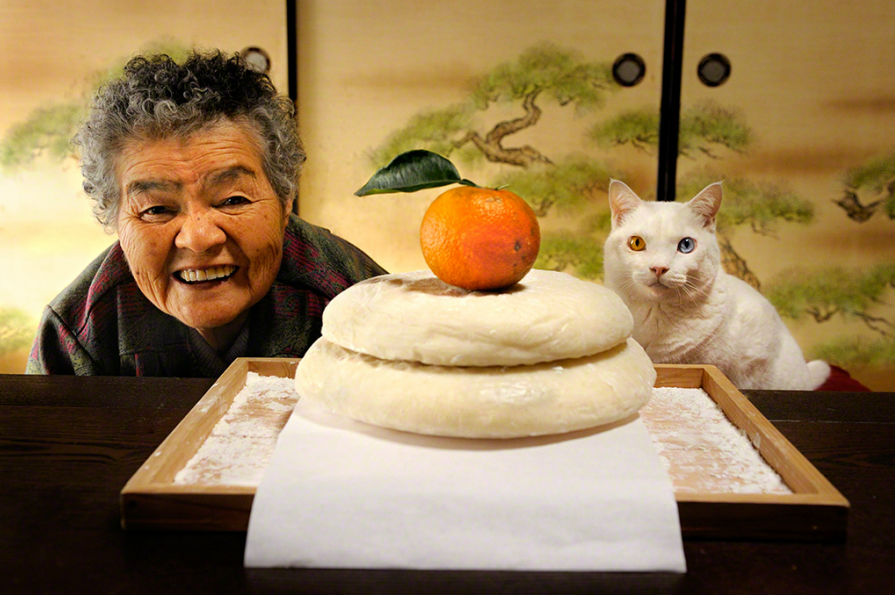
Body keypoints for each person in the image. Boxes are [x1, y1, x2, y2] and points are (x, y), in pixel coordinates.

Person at [27, 51, 386, 376]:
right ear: (115, 219)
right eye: (157, 209)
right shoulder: (77, 333)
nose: (199, 239)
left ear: (285, 199)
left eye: (232, 200)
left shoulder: (362, 304)